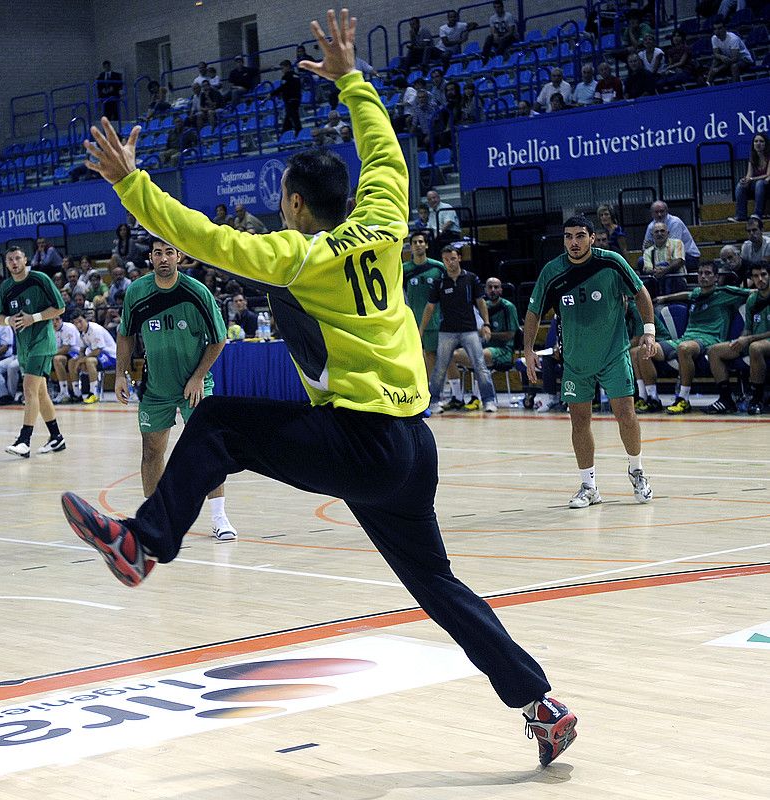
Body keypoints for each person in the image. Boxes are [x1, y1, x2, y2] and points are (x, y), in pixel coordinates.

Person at [67, 10, 577, 767]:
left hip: (365, 441)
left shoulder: (302, 257)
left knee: (218, 425)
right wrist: (351, 79)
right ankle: (540, 702)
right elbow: (384, 151)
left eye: (282, 196)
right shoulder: (382, 218)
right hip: (413, 445)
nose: (279, 205)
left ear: (297, 205)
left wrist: (130, 182)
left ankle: (144, 545)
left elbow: (205, 238)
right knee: (435, 585)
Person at [524, 216, 656, 508]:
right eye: (568, 236)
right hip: (576, 362)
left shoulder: (611, 263)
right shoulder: (553, 271)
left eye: (580, 236)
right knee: (579, 421)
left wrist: (648, 331)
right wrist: (529, 350)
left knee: (626, 415)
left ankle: (637, 471)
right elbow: (533, 312)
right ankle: (589, 486)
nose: (574, 242)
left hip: (613, 354)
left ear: (592, 238)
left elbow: (641, 294)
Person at [115, 235, 235, 539]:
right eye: (158, 253)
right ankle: (155, 518)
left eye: (169, 252)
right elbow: (126, 334)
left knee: (207, 450)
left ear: (179, 256)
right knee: (152, 451)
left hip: (194, 386)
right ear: (151, 258)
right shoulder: (137, 292)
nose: (164, 258)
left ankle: (219, 518)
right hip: (156, 389)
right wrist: (119, 374)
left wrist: (197, 377)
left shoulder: (197, 292)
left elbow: (218, 339)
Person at [641, 262, 751, 414]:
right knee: (644, 350)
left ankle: (683, 399)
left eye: (707, 273)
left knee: (684, 348)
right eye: (700, 273)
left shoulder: (724, 293)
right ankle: (652, 399)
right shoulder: (696, 294)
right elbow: (686, 295)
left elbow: (752, 293)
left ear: (716, 278)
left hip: (710, 339)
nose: (703, 276)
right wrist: (664, 298)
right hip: (687, 338)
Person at [0, 245, 66, 456]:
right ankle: (56, 438)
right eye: (10, 259)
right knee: (40, 393)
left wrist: (33, 318)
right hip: (24, 345)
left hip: (42, 342)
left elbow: (60, 307)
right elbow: (0, 317)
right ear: (7, 264)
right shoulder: (6, 287)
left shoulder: (39, 279)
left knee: (28, 389)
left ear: (25, 259)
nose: (14, 262)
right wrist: (11, 320)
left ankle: (24, 440)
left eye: (17, 258)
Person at [420, 245, 497, 413]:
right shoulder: (439, 282)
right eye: (446, 260)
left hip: (469, 330)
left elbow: (481, 303)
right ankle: (433, 402)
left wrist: (486, 324)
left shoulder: (471, 278)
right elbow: (429, 307)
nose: (450, 262)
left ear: (459, 258)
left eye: (453, 258)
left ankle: (489, 400)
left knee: (479, 364)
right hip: (446, 331)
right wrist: (421, 330)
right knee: (440, 367)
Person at [703, 263, 770, 414]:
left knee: (755, 347)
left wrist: (749, 339)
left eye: (763, 275)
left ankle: (756, 398)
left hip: (761, 342)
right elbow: (748, 327)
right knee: (714, 351)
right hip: (753, 340)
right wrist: (740, 339)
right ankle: (726, 399)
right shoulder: (753, 299)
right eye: (755, 276)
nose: (760, 279)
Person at [403, 231, 444, 378]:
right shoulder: (403, 269)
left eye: (421, 242)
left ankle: (432, 391)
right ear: (410, 247)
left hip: (434, 322)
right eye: (414, 242)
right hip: (411, 322)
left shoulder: (438, 268)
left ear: (426, 245)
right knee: (414, 356)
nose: (418, 245)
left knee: (433, 355)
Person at [69, 311, 118, 403]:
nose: (79, 325)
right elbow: (82, 350)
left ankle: (93, 393)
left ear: (86, 320)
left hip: (111, 356)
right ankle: (77, 394)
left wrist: (81, 361)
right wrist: (79, 360)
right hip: (99, 356)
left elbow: (97, 351)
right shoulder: (82, 333)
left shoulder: (95, 329)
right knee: (72, 361)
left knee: (89, 361)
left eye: (80, 321)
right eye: (76, 323)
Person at [642, 201, 700, 270]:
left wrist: (654, 244)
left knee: (666, 263)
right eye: (656, 212)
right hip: (661, 255)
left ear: (666, 211)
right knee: (642, 262)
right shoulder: (651, 226)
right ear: (652, 214)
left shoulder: (675, 222)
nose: (659, 214)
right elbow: (646, 248)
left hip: (688, 256)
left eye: (662, 211)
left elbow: (672, 247)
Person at [640, 221, 687, 295]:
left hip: (677, 281)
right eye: (656, 232)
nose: (659, 234)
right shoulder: (648, 251)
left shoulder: (677, 243)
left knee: (664, 264)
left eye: (662, 231)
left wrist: (664, 270)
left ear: (668, 233)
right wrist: (656, 271)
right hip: (657, 282)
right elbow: (647, 269)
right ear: (652, 235)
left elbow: (679, 261)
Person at [732, 132, 768, 222]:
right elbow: (749, 174)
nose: (758, 144)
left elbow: (768, 175)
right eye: (756, 141)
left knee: (760, 184)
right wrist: (745, 180)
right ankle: (741, 215)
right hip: (756, 186)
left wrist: (751, 179)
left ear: (766, 144)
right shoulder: (752, 156)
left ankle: (757, 214)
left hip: (766, 185)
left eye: (761, 141)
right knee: (741, 185)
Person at [51, 314, 85, 403]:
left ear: (61, 320)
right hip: (63, 354)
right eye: (52, 320)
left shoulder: (68, 328)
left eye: (57, 319)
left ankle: (76, 393)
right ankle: (63, 392)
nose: (54, 322)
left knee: (58, 359)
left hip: (77, 352)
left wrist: (49, 354)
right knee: (52, 360)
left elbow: (66, 349)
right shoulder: (49, 330)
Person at [272, 60, 303, 135]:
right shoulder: (296, 75)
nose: (282, 70)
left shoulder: (286, 76)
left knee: (294, 117)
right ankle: (285, 132)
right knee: (289, 117)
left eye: (282, 68)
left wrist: (272, 94)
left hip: (290, 100)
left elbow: (283, 87)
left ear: (287, 66)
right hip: (297, 99)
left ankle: (298, 132)